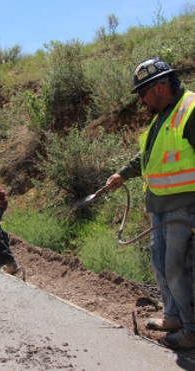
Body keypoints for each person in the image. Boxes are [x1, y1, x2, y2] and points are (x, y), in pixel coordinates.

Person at [105, 58, 195, 350]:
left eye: (142, 93)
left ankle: (191, 330)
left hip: (184, 208)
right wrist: (122, 174)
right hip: (159, 206)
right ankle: (173, 316)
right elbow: (147, 157)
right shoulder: (163, 115)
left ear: (159, 87)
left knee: (177, 268)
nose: (140, 100)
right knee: (159, 263)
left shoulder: (190, 110)